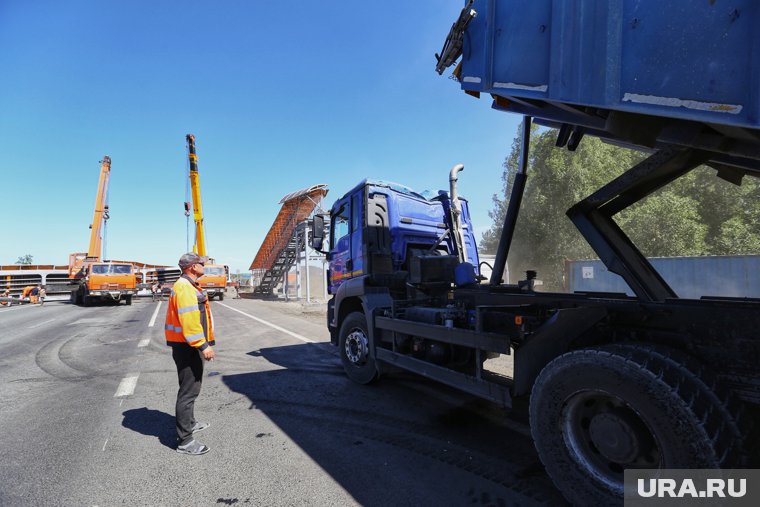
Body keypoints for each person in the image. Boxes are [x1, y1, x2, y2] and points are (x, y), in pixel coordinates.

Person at [164, 252, 216, 455]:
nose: (204, 265)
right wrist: (203, 346)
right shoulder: (185, 287)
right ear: (193, 267)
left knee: (191, 388)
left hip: (186, 345)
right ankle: (185, 441)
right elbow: (190, 322)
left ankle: (190, 423)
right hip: (188, 346)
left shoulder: (187, 285)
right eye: (201, 263)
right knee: (188, 391)